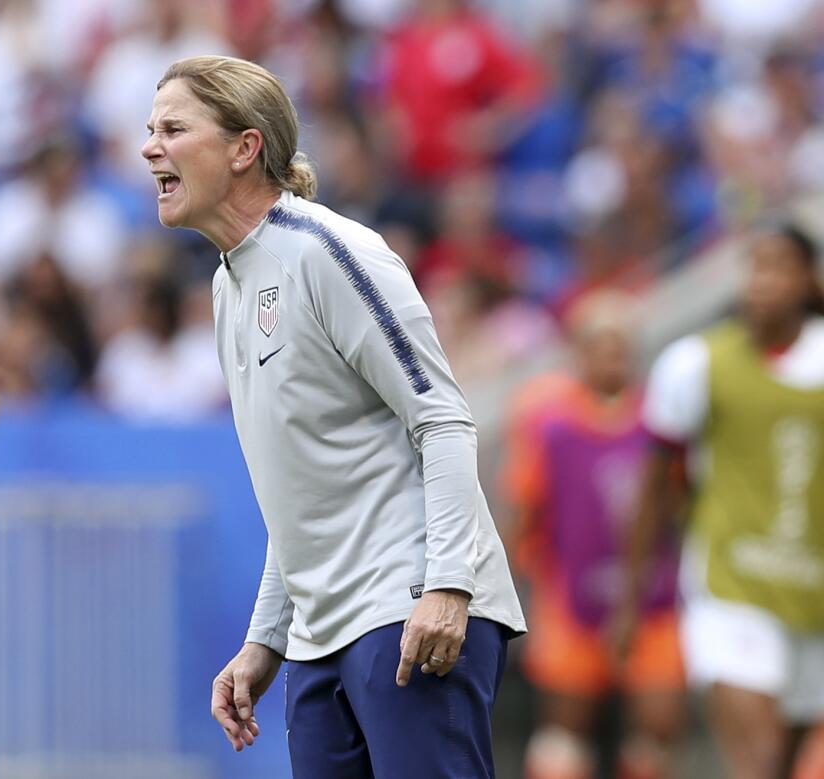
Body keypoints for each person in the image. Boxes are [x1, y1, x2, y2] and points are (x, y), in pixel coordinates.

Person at [142, 55, 526, 778]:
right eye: (149, 129)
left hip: (408, 606)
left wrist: (447, 583)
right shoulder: (228, 288)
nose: (149, 146)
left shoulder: (329, 251)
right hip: (321, 634)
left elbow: (441, 416)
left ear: (244, 147)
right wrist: (267, 637)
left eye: (172, 127)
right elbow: (300, 490)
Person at [619, 223, 824, 779]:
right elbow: (656, 483)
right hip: (730, 586)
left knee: (783, 760)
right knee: (756, 759)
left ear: (810, 280)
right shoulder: (696, 363)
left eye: (778, 267)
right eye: (754, 267)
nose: (762, 282)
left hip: (812, 598)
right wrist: (633, 596)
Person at [503, 292, 686, 779]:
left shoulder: (660, 419)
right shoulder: (548, 421)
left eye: (620, 347)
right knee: (565, 726)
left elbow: (681, 502)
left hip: (652, 598)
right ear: (579, 353)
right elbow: (526, 507)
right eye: (601, 347)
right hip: (570, 597)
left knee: (659, 724)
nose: (611, 358)